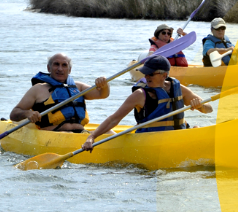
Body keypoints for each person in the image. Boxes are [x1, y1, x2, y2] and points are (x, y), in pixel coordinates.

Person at [81, 56, 212, 152]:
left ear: (164, 75)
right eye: (145, 73)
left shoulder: (179, 89)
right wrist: (91, 137)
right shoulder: (140, 95)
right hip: (149, 142)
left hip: (177, 137)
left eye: (151, 73)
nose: (146, 76)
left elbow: (209, 109)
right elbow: (113, 119)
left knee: (196, 127)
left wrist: (200, 106)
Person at [9, 53, 111, 133]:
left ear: (69, 70)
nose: (60, 69)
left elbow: (102, 94)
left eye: (64, 65)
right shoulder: (38, 89)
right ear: (49, 68)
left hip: (80, 133)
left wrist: (104, 84)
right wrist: (28, 113)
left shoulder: (78, 87)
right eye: (56, 64)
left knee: (109, 131)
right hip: (54, 134)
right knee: (69, 135)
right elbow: (14, 114)